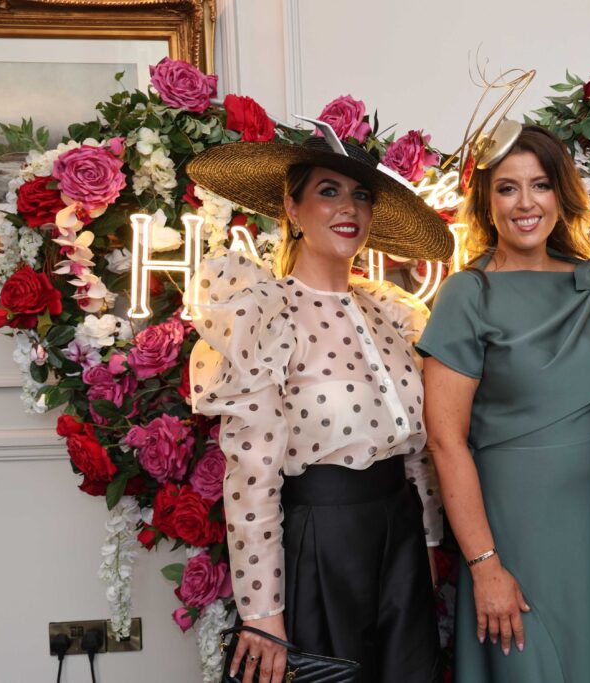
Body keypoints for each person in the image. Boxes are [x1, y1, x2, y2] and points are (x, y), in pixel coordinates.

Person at [185, 125, 454, 683]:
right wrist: (263, 616)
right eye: (329, 191)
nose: (348, 207)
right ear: (292, 206)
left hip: (400, 538)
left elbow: (417, 450)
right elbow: (251, 477)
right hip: (321, 540)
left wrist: (427, 542)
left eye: (361, 194)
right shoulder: (265, 313)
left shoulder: (391, 313)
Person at [418, 124, 590, 682]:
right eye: (508, 188)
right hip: (513, 531)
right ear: (487, 201)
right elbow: (444, 439)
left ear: (561, 193)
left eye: (540, 185)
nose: (526, 203)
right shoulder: (468, 294)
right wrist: (486, 568)